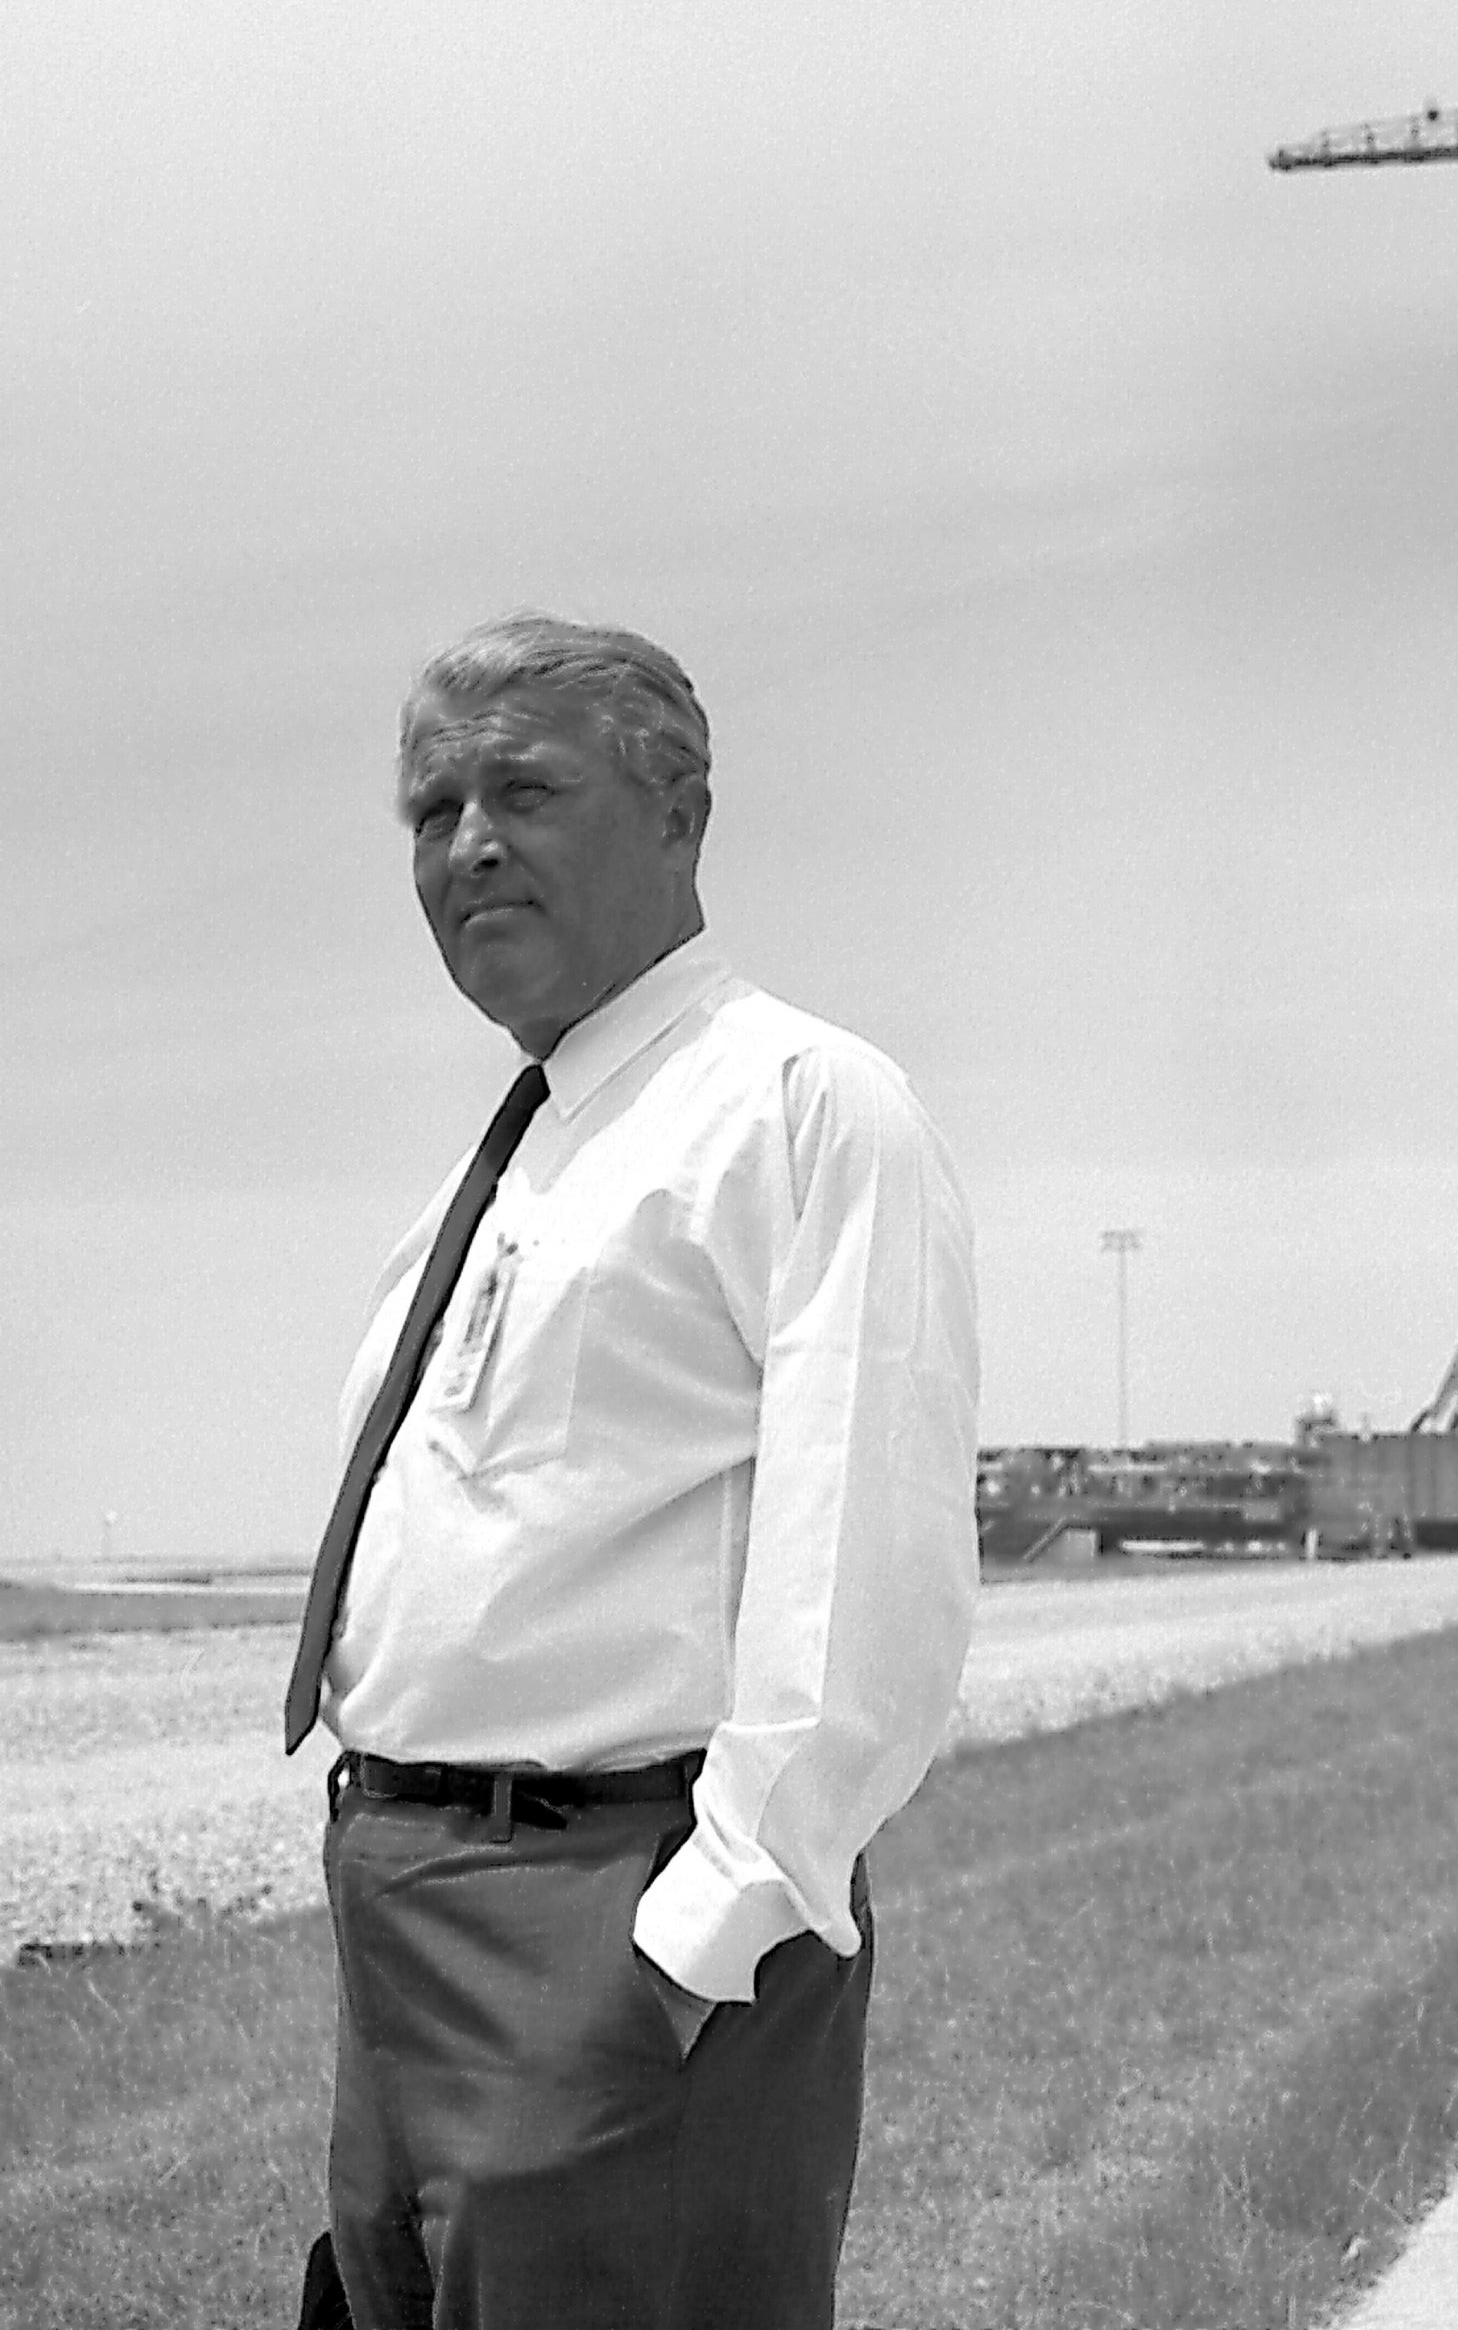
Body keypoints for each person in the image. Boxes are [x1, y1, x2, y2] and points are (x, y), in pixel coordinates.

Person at [284, 610, 981, 2330]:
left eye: (521, 786)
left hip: (617, 1918)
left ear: (678, 815)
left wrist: (695, 1944)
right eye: (429, 809)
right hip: (407, 1909)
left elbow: (861, 1580)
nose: (465, 844)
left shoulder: (801, 1107)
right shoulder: (525, 1148)